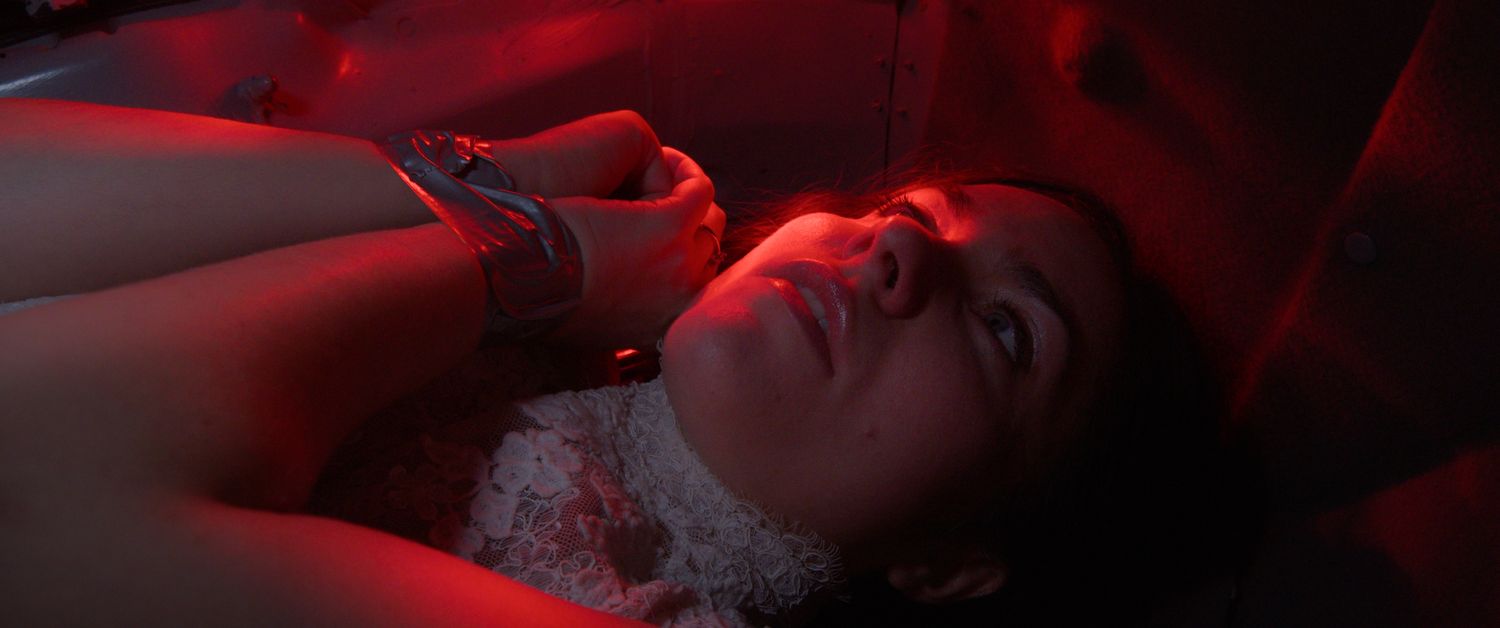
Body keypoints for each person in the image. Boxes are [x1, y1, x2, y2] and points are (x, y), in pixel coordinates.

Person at [0, 99, 1225, 625]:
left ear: (949, 565)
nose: (898, 253)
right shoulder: (516, 359)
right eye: (912, 214)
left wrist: (531, 259)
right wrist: (505, 190)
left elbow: (27, 479)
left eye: (1007, 329)